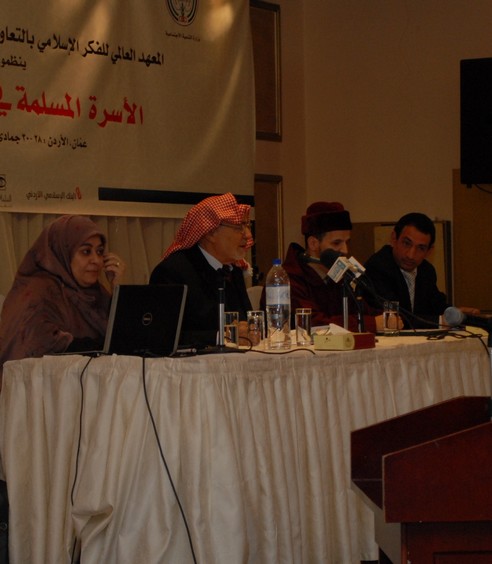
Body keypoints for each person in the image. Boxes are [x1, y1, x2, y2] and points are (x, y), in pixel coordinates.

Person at [0, 215, 126, 383]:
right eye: (86, 252)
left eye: (100, 252)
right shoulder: (38, 292)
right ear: (62, 252)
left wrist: (118, 290)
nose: (96, 260)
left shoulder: (96, 294)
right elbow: (44, 346)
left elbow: (125, 339)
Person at [150, 192, 253, 348]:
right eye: (239, 227)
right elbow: (163, 335)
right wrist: (220, 337)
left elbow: (244, 322)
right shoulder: (172, 272)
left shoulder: (233, 269)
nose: (248, 235)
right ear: (210, 232)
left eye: (247, 226)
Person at [364, 212, 478, 328]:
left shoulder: (426, 271)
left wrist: (455, 313)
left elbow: (435, 305)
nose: (411, 255)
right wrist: (441, 321)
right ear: (394, 238)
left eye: (421, 248)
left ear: (429, 251)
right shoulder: (377, 267)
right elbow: (396, 318)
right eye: (406, 243)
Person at [280, 201, 381, 333]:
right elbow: (312, 324)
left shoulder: (342, 276)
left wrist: (387, 317)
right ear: (313, 243)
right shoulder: (288, 279)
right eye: (336, 243)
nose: (345, 250)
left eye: (347, 242)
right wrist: (371, 324)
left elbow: (367, 311)